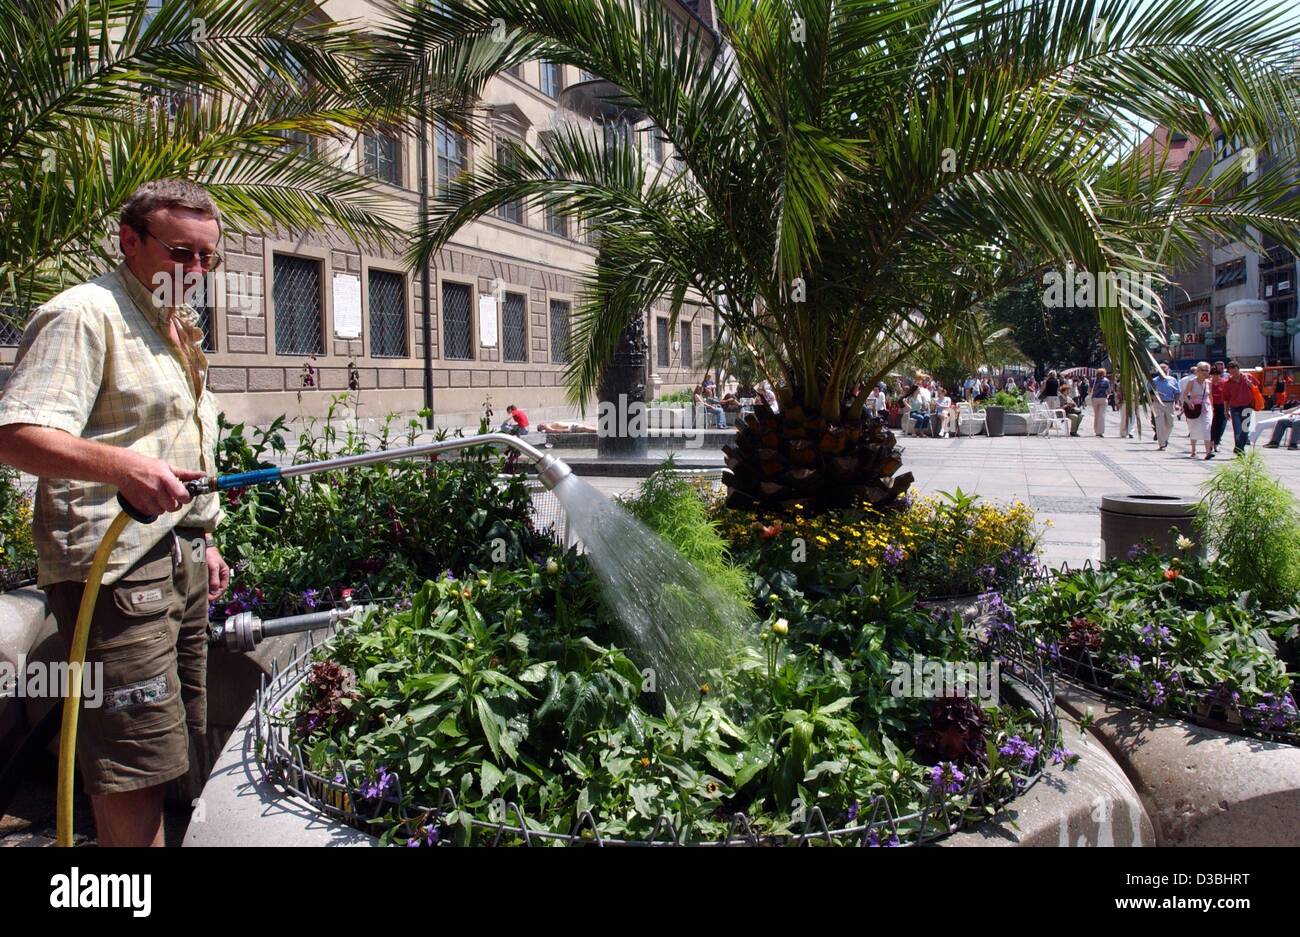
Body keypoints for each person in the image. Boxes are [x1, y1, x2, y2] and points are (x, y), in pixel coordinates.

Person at [0, 179, 228, 847]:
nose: (194, 272)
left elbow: (179, 437)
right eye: (180, 252)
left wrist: (204, 537)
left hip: (175, 563)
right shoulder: (84, 315)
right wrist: (121, 468)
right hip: (115, 573)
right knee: (131, 764)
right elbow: (15, 433)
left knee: (159, 751)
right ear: (130, 240)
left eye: (207, 259)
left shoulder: (172, 324)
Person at [1221, 361, 1257, 455]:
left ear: (1238, 369)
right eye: (1231, 371)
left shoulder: (1248, 377)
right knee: (1237, 430)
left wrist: (1250, 384)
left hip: (1247, 406)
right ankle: (1240, 451)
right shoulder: (1228, 383)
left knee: (1245, 430)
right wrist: (1225, 411)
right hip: (1235, 408)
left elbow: (1257, 387)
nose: (1233, 373)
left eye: (1235, 370)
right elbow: (1226, 398)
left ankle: (1239, 447)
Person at [1180, 362, 1214, 459]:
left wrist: (1212, 407)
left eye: (1207, 370)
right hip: (1194, 408)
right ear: (1197, 371)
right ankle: (1193, 450)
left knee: (1207, 428)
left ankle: (1208, 452)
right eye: (1202, 370)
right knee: (1193, 428)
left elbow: (1210, 396)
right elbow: (1185, 395)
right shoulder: (1192, 381)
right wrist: (1189, 403)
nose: (1205, 372)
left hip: (1206, 408)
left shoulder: (1209, 383)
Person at [1150, 364, 1180, 451]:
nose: (1163, 371)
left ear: (1168, 370)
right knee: (1160, 424)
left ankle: (1165, 438)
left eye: (1165, 369)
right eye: (1161, 369)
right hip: (1158, 404)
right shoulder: (1154, 381)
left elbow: (1177, 392)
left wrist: (1177, 403)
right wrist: (1155, 398)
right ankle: (1162, 444)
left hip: (1170, 403)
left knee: (1170, 424)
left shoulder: (1173, 380)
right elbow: (1150, 393)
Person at [1209, 360, 1228, 455]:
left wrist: (1227, 408)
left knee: (1220, 425)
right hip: (1211, 406)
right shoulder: (1208, 383)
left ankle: (1217, 443)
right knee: (1211, 425)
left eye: (1217, 375)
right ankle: (1211, 442)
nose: (1215, 376)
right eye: (1213, 375)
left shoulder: (1224, 382)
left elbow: (1227, 396)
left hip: (1221, 406)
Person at [1089, 368, 1111, 436]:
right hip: (1103, 399)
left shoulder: (1093, 380)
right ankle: (1100, 431)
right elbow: (1109, 391)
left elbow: (1089, 390)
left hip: (1095, 399)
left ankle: (1096, 430)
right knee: (1102, 415)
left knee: (1096, 415)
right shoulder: (1106, 381)